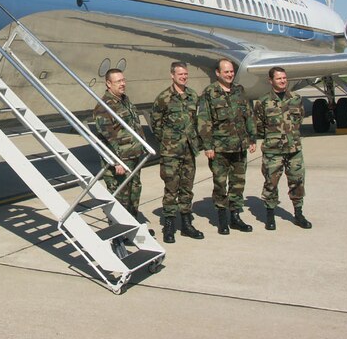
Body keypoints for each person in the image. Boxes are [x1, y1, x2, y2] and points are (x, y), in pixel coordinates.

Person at [197, 58, 257, 235]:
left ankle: (236, 217)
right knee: (221, 184)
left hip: (239, 146)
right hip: (220, 148)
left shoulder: (239, 91)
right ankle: (222, 219)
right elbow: (204, 121)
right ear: (218, 73)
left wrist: (252, 138)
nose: (230, 74)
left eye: (231, 71)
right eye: (226, 72)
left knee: (238, 184)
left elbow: (248, 115)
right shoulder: (209, 93)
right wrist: (207, 145)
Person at [151, 61, 204, 243]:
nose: (183, 77)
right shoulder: (164, 97)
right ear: (172, 75)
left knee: (187, 189)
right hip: (171, 152)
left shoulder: (192, 95)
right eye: (180, 74)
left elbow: (196, 121)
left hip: (189, 150)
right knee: (171, 189)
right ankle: (169, 226)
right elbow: (155, 124)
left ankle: (187, 224)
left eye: (185, 74)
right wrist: (168, 141)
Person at [254, 66, 312, 230]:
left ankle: (298, 214)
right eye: (279, 78)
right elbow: (259, 126)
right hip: (273, 151)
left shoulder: (296, 98)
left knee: (297, 182)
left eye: (284, 78)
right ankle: (270, 216)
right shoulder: (263, 102)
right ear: (270, 81)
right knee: (270, 184)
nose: (283, 81)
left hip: (294, 149)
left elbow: (299, 119)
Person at [93, 68, 147, 220]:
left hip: (133, 156)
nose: (122, 84)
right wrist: (117, 162)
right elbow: (106, 138)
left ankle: (132, 227)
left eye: (123, 80)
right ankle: (118, 235)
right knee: (120, 198)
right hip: (120, 161)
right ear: (109, 84)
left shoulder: (124, 101)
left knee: (134, 193)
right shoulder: (104, 107)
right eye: (118, 81)